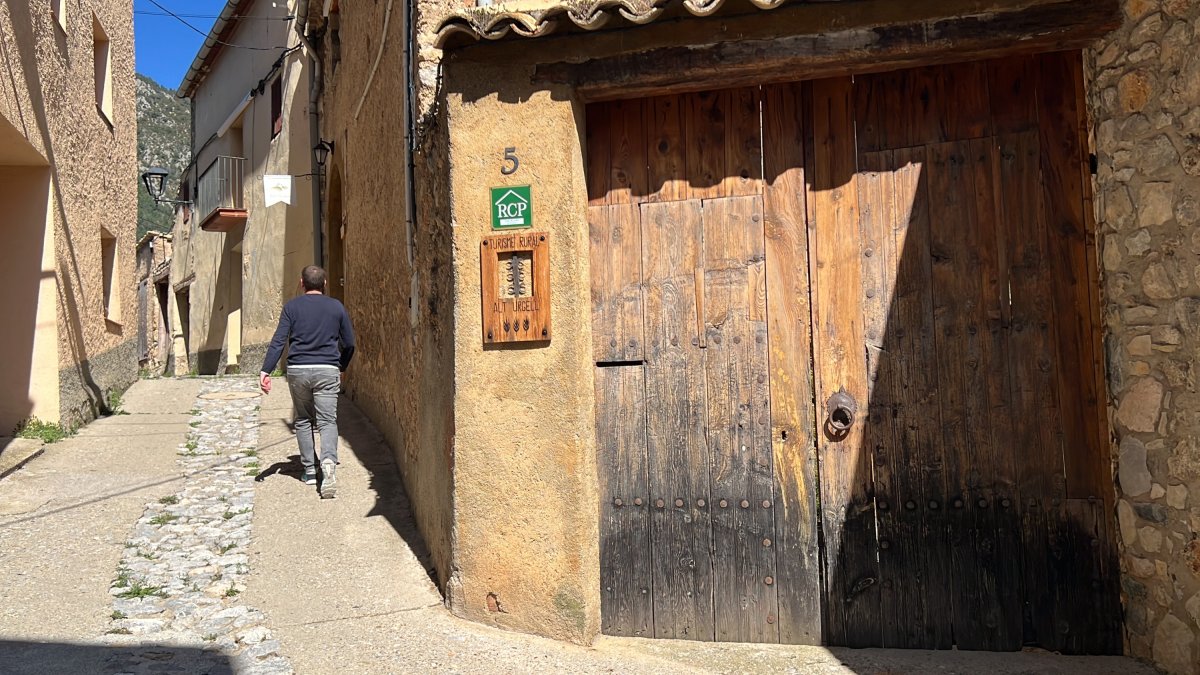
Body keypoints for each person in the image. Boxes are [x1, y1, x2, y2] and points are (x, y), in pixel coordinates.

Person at [260, 265, 355, 499]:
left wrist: (266, 370)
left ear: (302, 283)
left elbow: (279, 340)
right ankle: (329, 464)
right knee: (327, 421)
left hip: (298, 370)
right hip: (327, 369)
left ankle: (310, 471)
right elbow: (350, 343)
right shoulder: (336, 307)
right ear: (324, 284)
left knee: (303, 419)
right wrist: (340, 366)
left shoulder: (291, 307)